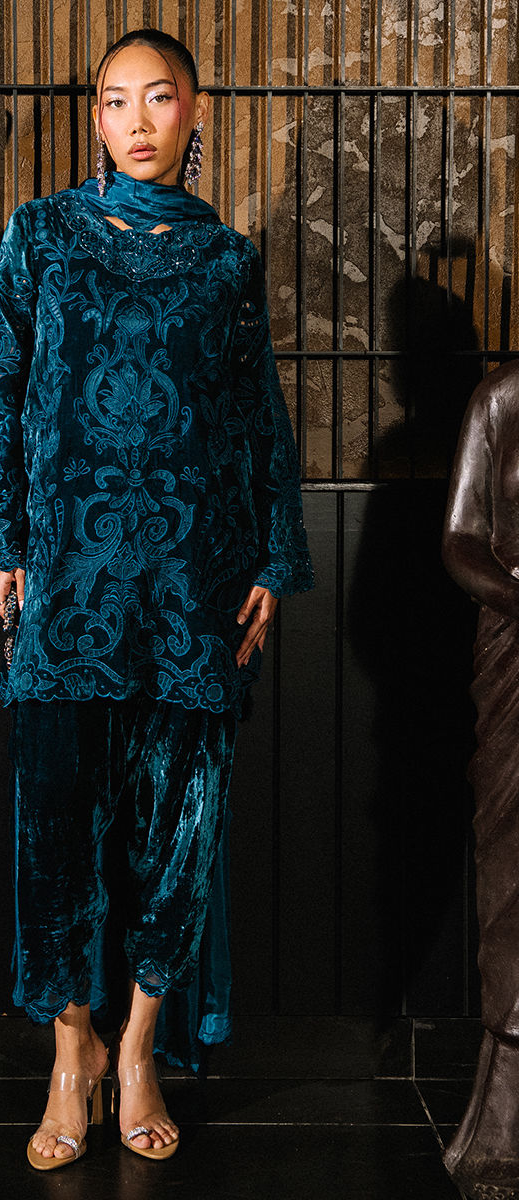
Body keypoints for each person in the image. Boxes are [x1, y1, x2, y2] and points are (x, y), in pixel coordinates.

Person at [0, 28, 312, 1170]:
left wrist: (271, 557)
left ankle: (139, 1047)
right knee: (52, 818)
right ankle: (72, 1052)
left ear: (195, 111)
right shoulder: (41, 235)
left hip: (195, 580)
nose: (137, 120)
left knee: (181, 822)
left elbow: (256, 414)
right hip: (66, 577)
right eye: (115, 100)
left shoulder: (228, 260)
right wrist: (0, 535)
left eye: (159, 98)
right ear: (94, 117)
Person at [442, 359, 519, 1198]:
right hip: (515, 653)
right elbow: (461, 539)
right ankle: (505, 1116)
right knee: (513, 867)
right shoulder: (500, 399)